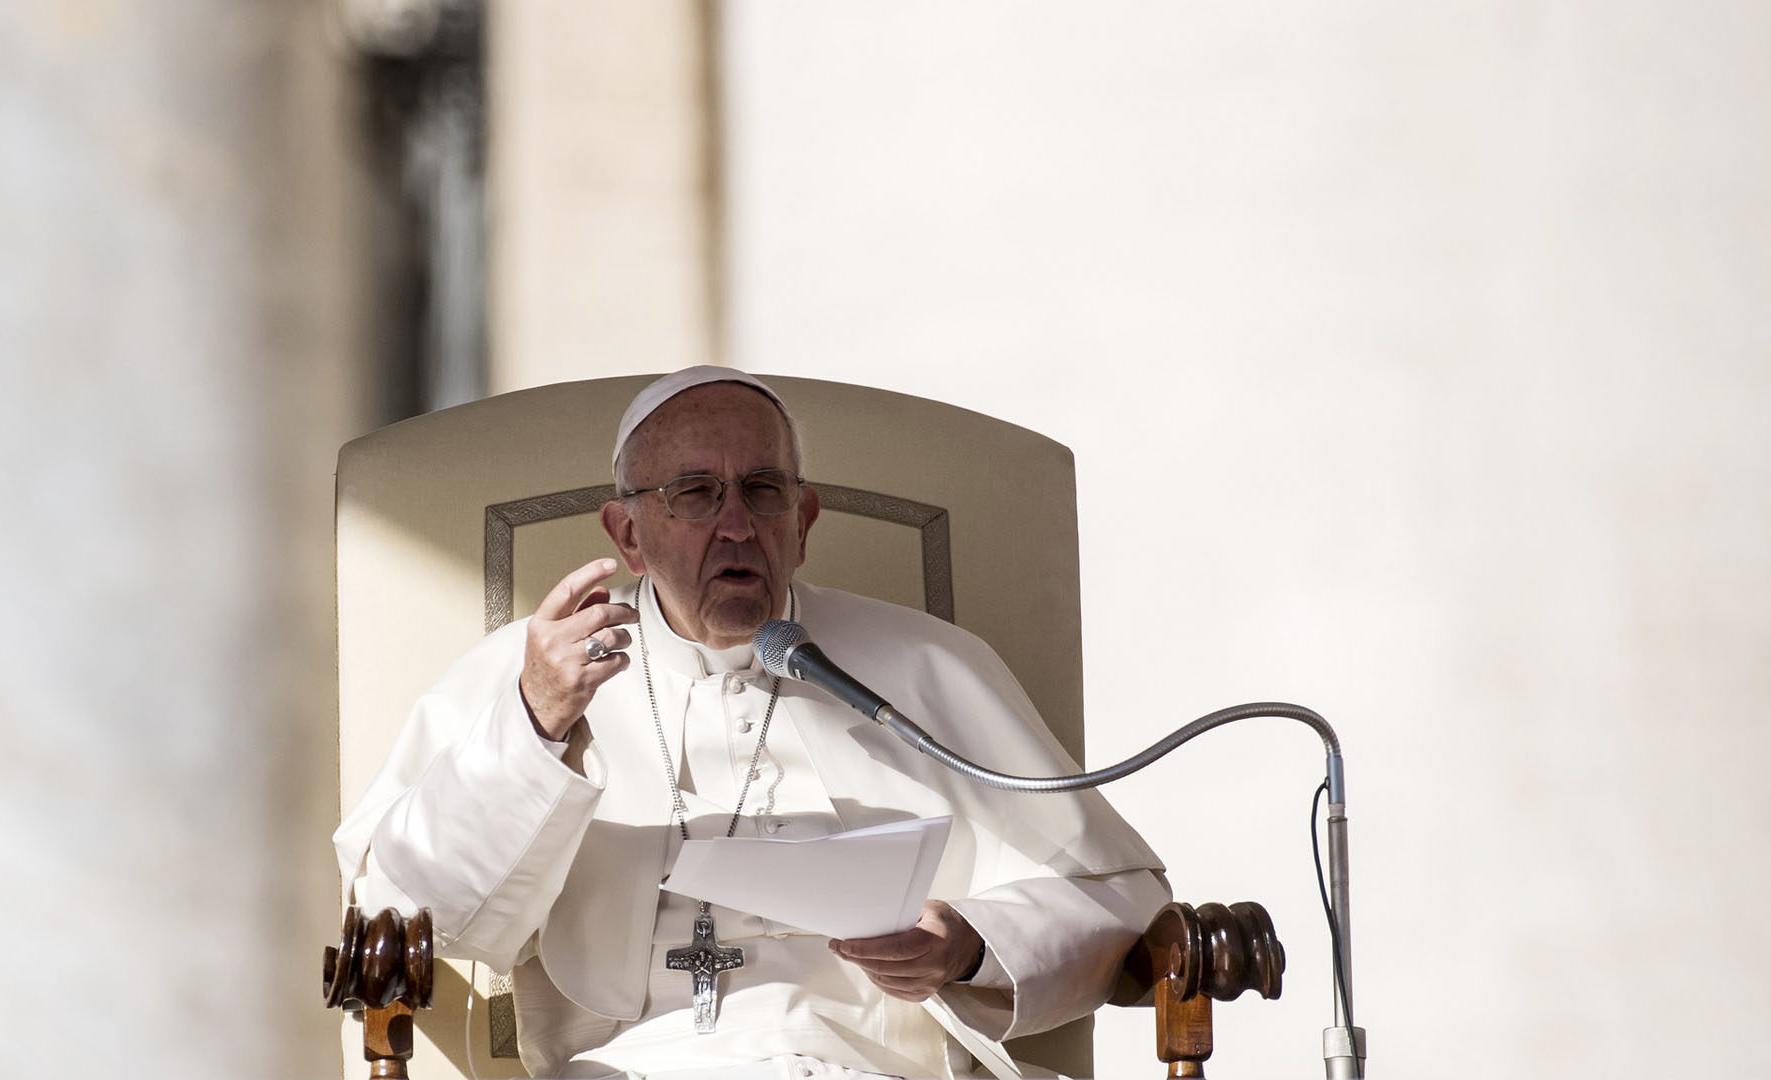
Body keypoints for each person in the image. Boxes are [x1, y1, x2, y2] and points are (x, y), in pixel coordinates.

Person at [334, 367, 1168, 1080]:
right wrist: (537, 723)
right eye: (694, 494)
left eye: (763, 492)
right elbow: (408, 909)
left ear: (801, 523)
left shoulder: (928, 665)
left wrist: (973, 944)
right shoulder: (533, 667)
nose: (736, 524)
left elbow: (1119, 892)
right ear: (627, 534)